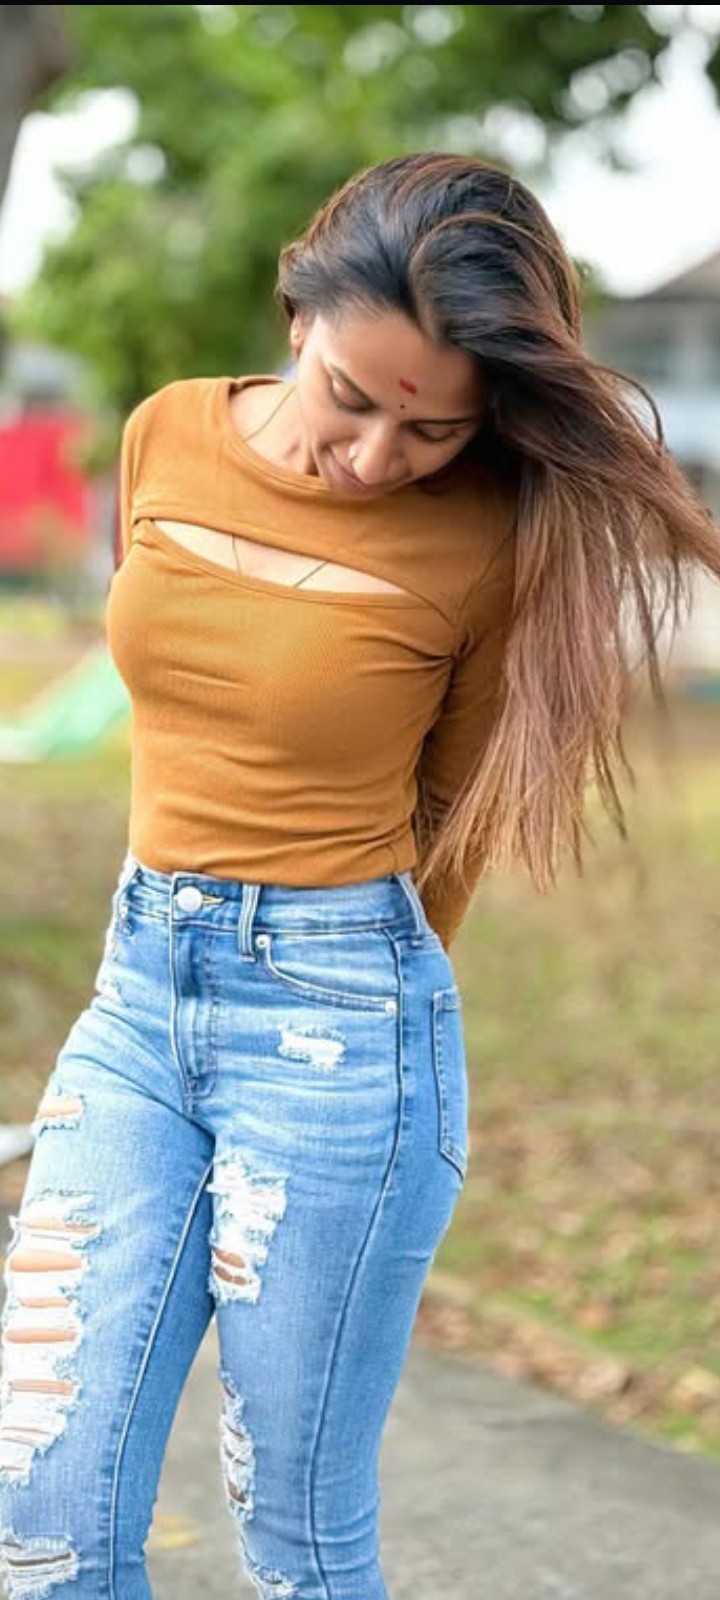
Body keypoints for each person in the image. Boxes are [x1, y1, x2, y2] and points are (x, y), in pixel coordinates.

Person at [0, 150, 718, 1600]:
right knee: (41, 1507)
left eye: (434, 428)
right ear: (296, 316)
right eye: (350, 398)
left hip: (339, 1025)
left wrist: (362, 991)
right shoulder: (163, 434)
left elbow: (452, 809)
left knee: (299, 1540)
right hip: (137, 1002)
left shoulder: (489, 537)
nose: (379, 457)